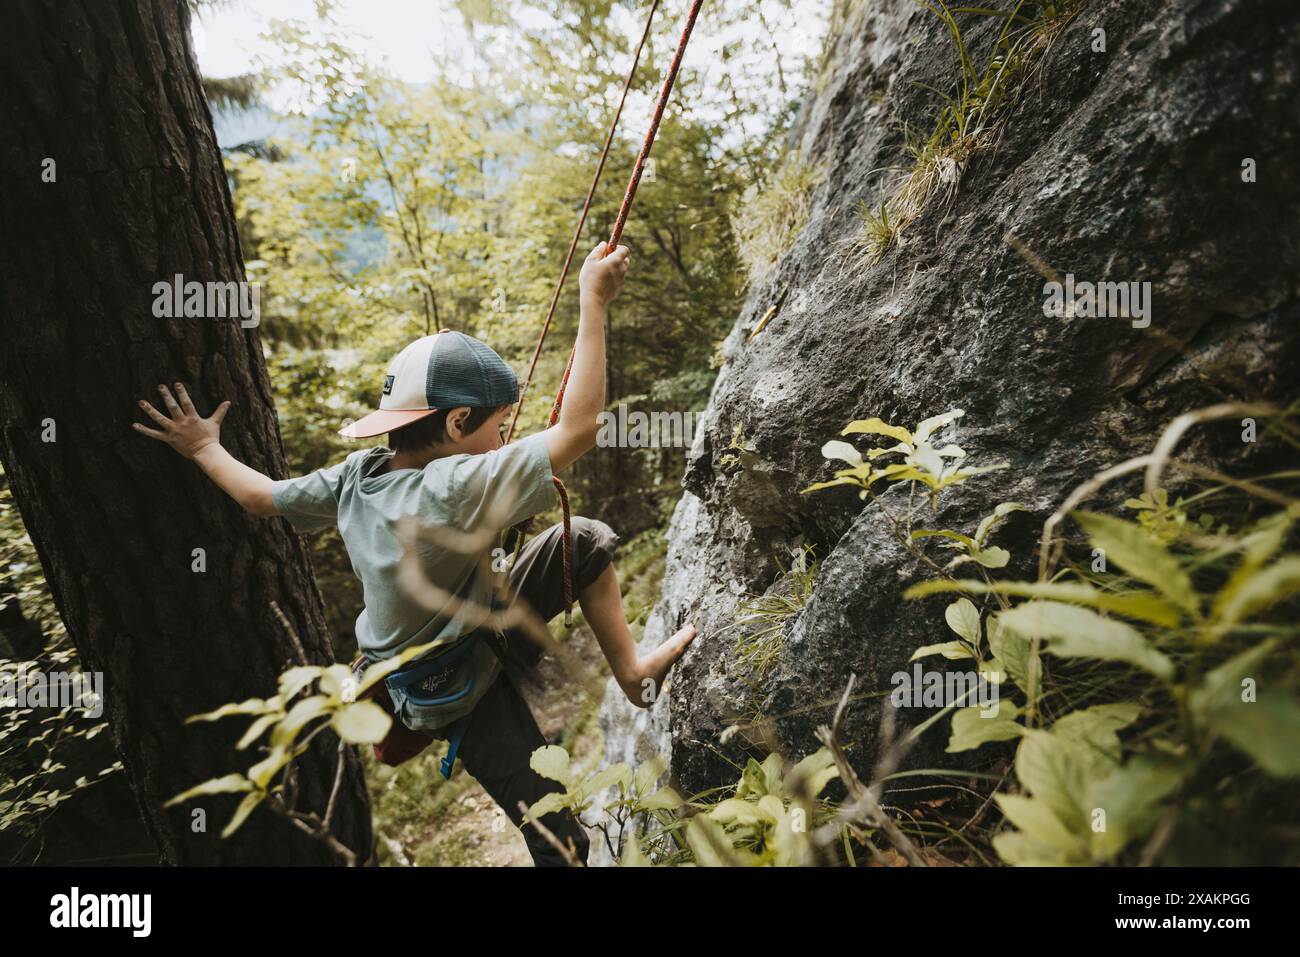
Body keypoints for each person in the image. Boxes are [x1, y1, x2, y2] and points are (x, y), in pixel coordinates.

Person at [133, 242, 696, 866]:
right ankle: (627, 677)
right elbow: (581, 428)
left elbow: (261, 498)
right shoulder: (452, 486)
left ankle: (631, 674)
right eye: (499, 426)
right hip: (457, 687)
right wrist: (592, 300)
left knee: (582, 541)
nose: (504, 438)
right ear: (456, 424)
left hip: (440, 646)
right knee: (560, 837)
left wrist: (203, 448)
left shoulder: (358, 476)